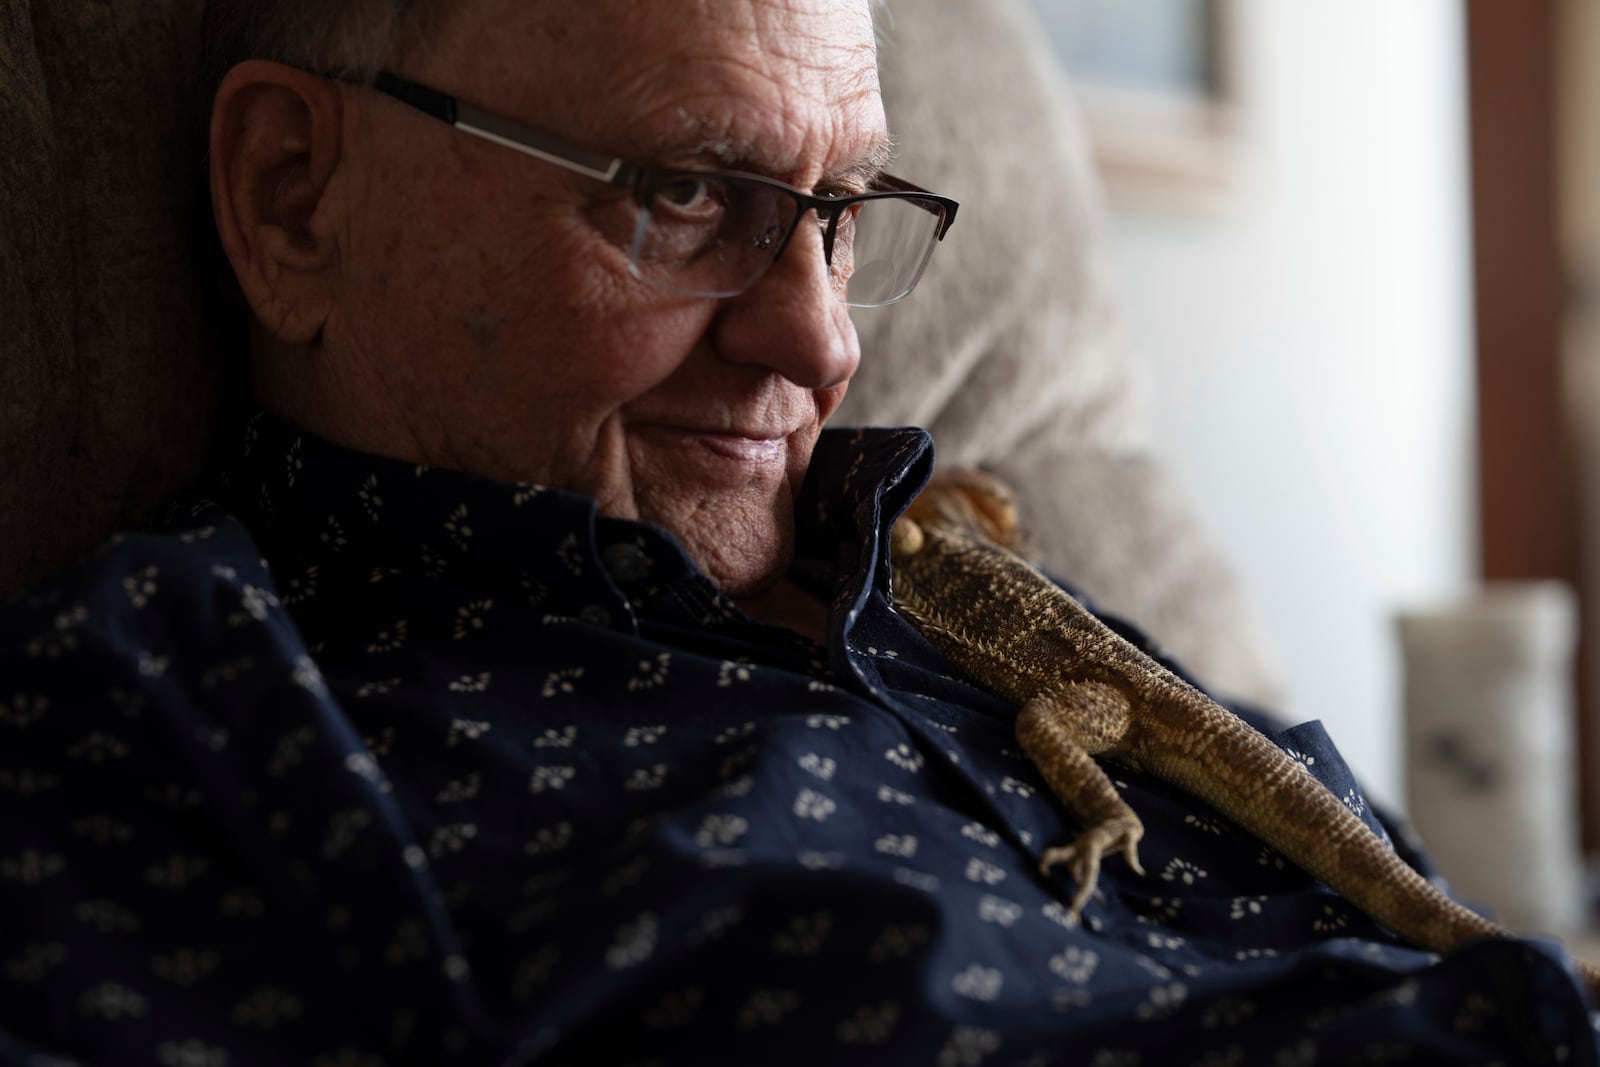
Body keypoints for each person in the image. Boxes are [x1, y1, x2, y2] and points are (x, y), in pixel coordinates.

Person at [0, 1, 1593, 1063]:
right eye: (686, 194)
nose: (828, 347)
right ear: (294, 198)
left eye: (842, 214)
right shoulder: (164, 722)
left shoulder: (958, 561)